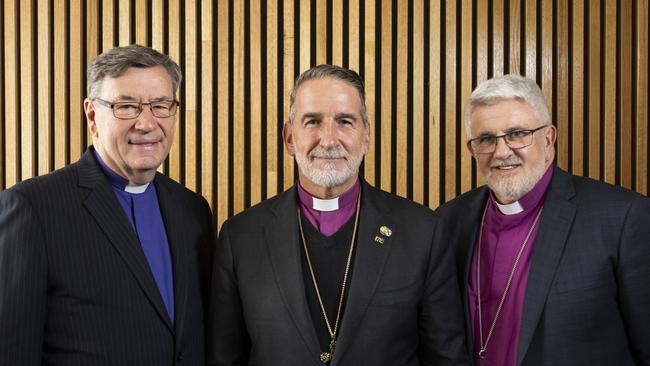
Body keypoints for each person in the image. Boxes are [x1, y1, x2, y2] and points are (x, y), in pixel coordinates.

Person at [207, 64, 470, 366]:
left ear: (366, 136)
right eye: (313, 122)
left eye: (345, 121)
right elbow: (224, 358)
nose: (329, 140)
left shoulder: (423, 232)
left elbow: (447, 359)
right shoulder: (240, 237)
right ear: (290, 138)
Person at [0, 44, 215, 365]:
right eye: (126, 106)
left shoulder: (193, 209)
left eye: (160, 105)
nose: (146, 123)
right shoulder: (33, 208)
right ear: (92, 115)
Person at [435, 74, 650, 366]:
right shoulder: (450, 221)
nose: (502, 152)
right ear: (472, 149)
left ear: (548, 138)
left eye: (517, 134)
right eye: (486, 138)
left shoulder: (621, 218)